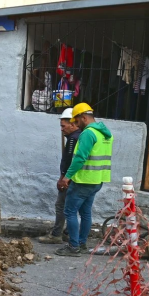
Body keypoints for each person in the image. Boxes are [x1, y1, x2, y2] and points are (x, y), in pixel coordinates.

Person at [56, 103, 113, 257]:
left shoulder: (88, 133)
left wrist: (66, 177)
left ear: (84, 117)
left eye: (77, 120)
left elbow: (80, 158)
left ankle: (73, 247)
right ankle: (81, 243)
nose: (75, 124)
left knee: (69, 211)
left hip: (83, 180)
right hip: (97, 180)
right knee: (85, 213)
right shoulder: (105, 134)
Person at [39, 108, 81, 244]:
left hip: (70, 178)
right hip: (78, 178)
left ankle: (57, 234)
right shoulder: (79, 136)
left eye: (64, 126)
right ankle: (68, 233)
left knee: (61, 205)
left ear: (73, 124)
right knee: (73, 207)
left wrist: (63, 178)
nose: (61, 129)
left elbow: (69, 160)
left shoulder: (73, 139)